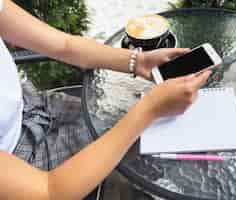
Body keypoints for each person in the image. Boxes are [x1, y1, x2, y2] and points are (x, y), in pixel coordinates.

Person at [0, 0, 211, 199]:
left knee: (141, 132)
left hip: (30, 107)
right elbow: (49, 191)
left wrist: (138, 61)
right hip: (23, 165)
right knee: (147, 149)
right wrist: (148, 109)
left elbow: (63, 44)